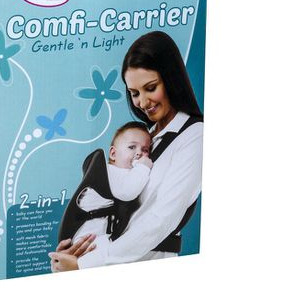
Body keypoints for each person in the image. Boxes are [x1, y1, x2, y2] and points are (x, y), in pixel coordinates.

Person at [49, 31, 203, 271]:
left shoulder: (195, 135)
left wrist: (83, 263)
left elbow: (161, 219)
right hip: (105, 258)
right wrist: (74, 250)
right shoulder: (144, 138)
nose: (143, 103)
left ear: (171, 79)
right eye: (134, 93)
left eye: (150, 88)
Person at [67, 122, 153, 246]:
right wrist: (143, 167)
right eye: (132, 147)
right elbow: (127, 192)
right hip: (88, 238)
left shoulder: (123, 174)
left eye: (145, 150)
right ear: (113, 154)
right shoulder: (110, 172)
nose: (139, 153)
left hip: (92, 236)